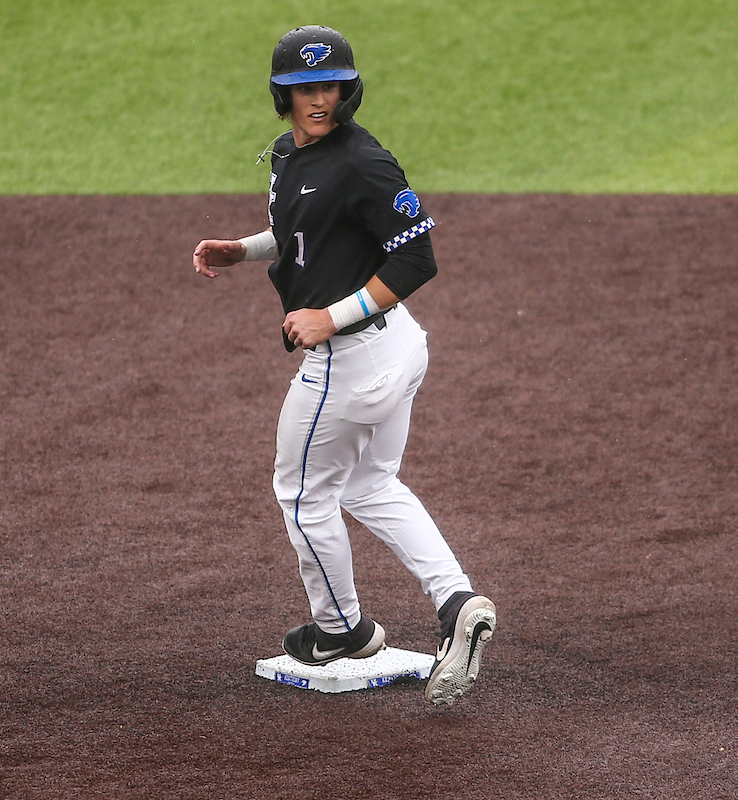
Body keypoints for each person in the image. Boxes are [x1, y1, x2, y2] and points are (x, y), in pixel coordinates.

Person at [192, 25, 496, 706]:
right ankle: (458, 603)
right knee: (370, 483)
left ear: (348, 90)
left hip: (350, 362)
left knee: (302, 495)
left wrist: (331, 316)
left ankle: (340, 630)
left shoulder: (365, 163)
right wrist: (243, 249)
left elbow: (417, 258)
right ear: (283, 95)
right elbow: (311, 233)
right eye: (303, 88)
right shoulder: (290, 154)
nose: (318, 99)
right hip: (396, 350)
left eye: (329, 85)